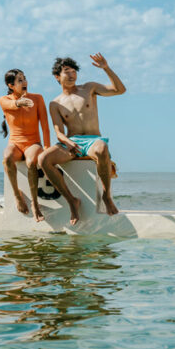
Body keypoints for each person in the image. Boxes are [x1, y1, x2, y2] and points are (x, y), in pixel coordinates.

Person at [37, 54, 126, 224]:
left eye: (73, 71)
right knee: (43, 159)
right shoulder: (55, 103)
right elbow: (58, 131)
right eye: (66, 72)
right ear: (57, 77)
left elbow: (120, 90)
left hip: (93, 140)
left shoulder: (89, 88)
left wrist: (106, 68)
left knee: (101, 149)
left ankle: (106, 196)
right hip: (71, 142)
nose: (72, 75)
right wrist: (67, 142)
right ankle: (72, 201)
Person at [0, 69, 51, 220]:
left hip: (33, 143)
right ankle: (17, 195)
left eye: (24, 79)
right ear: (11, 85)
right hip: (15, 143)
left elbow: (45, 127)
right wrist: (20, 102)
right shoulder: (4, 99)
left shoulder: (38, 98)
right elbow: (11, 105)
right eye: (20, 80)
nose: (24, 82)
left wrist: (47, 148)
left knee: (31, 162)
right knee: (7, 157)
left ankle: (35, 203)